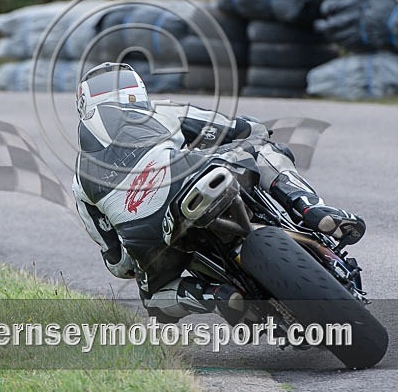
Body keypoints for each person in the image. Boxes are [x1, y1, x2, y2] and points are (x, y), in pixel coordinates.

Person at [72, 62, 365, 323]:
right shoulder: (161, 111)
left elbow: (118, 265)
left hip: (146, 235)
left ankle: (214, 294)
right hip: (186, 175)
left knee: (155, 302)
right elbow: (238, 128)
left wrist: (136, 251)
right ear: (138, 90)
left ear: (84, 105)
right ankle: (312, 209)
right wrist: (252, 129)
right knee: (263, 149)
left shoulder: (79, 180)